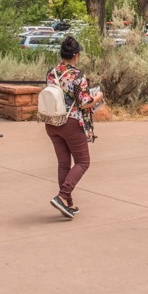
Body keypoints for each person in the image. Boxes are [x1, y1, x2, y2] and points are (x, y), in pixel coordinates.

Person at [45, 35, 102, 219]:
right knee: (83, 162)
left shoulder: (51, 73)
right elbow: (84, 102)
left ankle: (68, 204)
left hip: (52, 122)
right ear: (76, 55)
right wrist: (98, 97)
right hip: (71, 123)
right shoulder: (78, 76)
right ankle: (62, 196)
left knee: (63, 164)